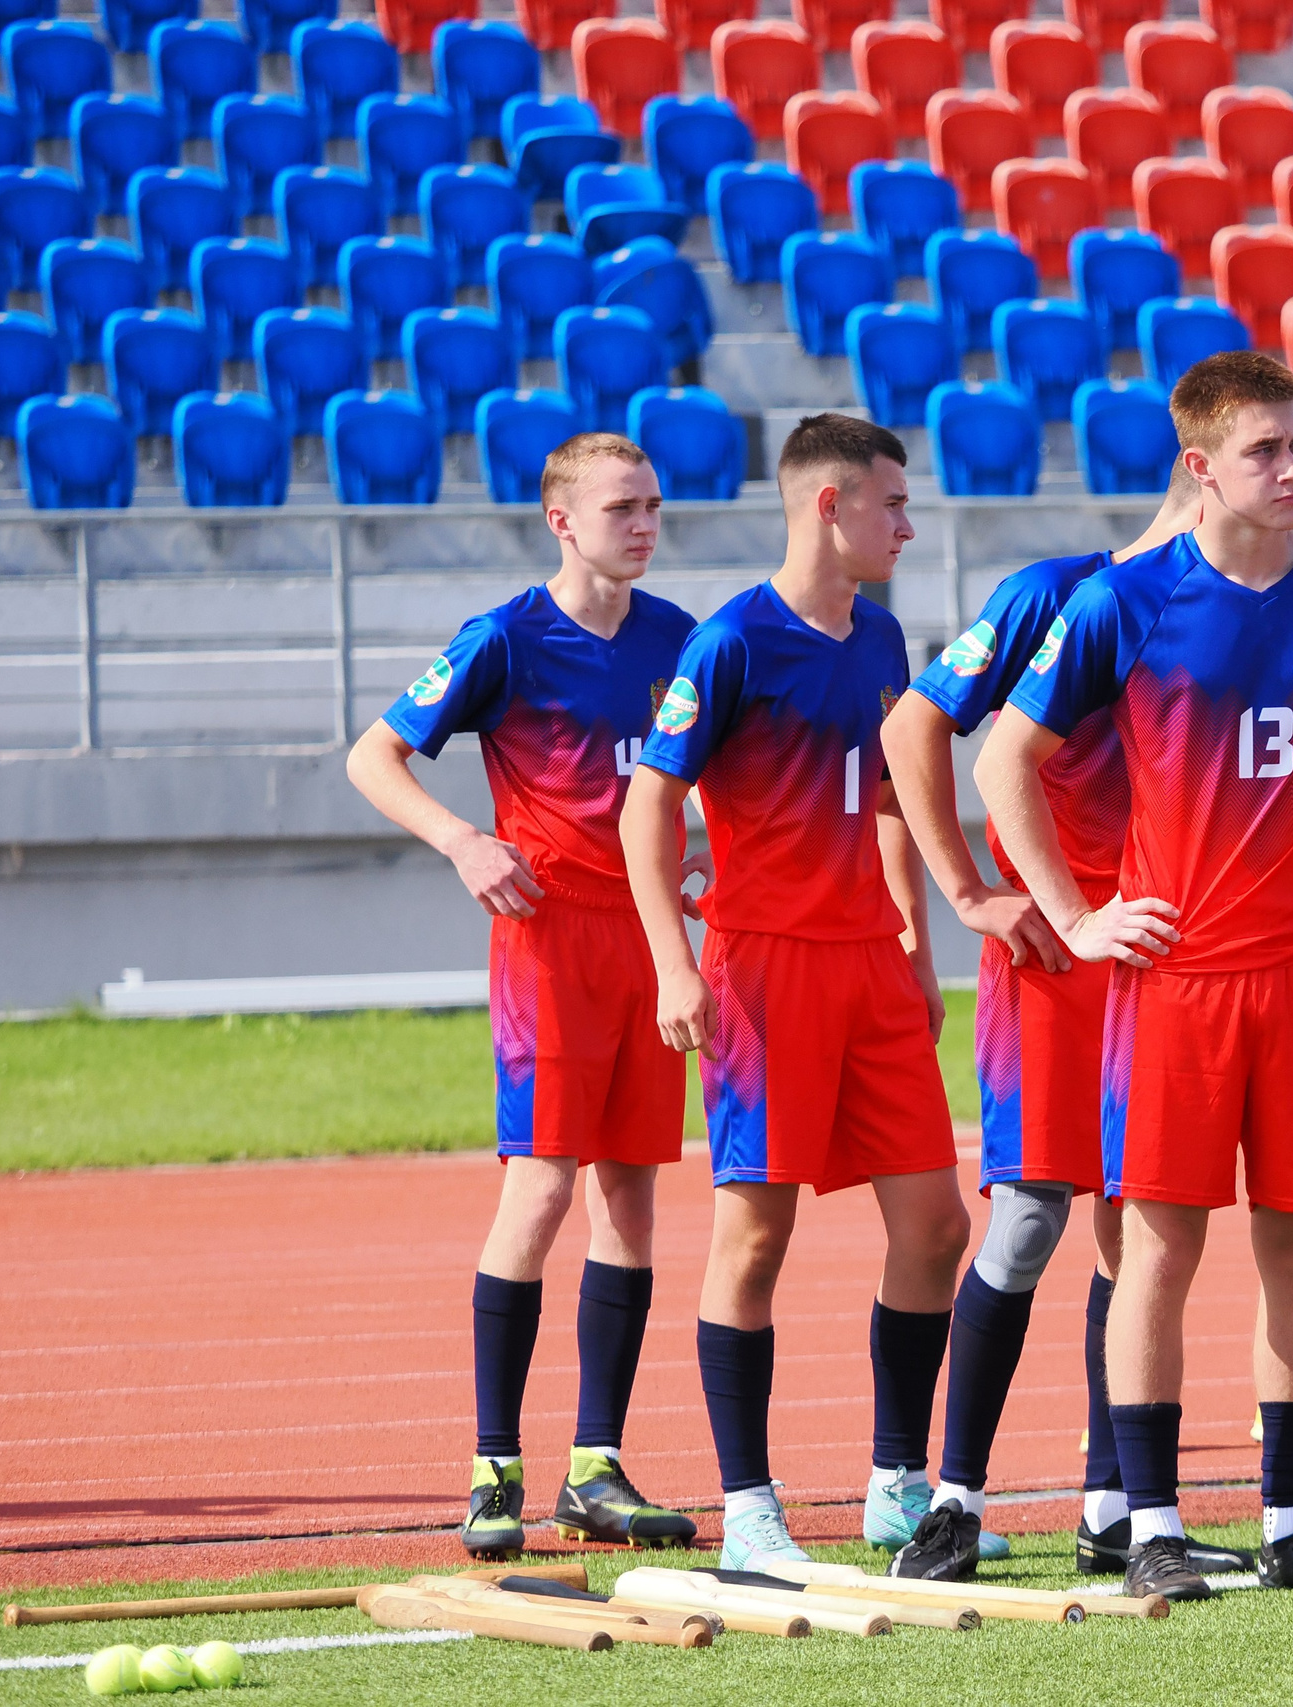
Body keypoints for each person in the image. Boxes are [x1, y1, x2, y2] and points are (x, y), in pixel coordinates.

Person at [975, 352, 1293, 1603]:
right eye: (1264, 452)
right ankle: (1149, 1524)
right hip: (1177, 980)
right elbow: (1001, 766)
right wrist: (1075, 918)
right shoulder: (1125, 603)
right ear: (1200, 470)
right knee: (1158, 1252)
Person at [875, 472, 1249, 1582]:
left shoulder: (1257, 595)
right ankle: (953, 1502)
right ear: (1201, 472)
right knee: (1032, 1217)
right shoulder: (1057, 595)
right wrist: (973, 893)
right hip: (1051, 951)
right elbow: (913, 728)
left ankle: (1113, 1506)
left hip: (1171, 957)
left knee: (1137, 1229)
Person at [618, 414, 970, 1570]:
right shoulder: (730, 642)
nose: (907, 526)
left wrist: (916, 952)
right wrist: (675, 960)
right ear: (830, 506)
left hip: (870, 963)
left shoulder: (881, 638)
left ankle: (893, 1483)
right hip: (762, 971)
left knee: (934, 1224)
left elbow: (888, 806)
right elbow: (648, 808)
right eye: (892, 506)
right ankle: (751, 1511)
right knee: (754, 1238)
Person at [347, 432, 699, 1560]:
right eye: (620, 508)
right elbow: (371, 757)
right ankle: (492, 1471)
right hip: (546, 944)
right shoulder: (504, 639)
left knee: (632, 1201)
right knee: (542, 1188)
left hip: (647, 943)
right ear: (561, 521)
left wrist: (697, 862)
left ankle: (595, 1469)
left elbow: (702, 784)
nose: (642, 525)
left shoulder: (677, 639)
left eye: (651, 505)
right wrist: (461, 840)